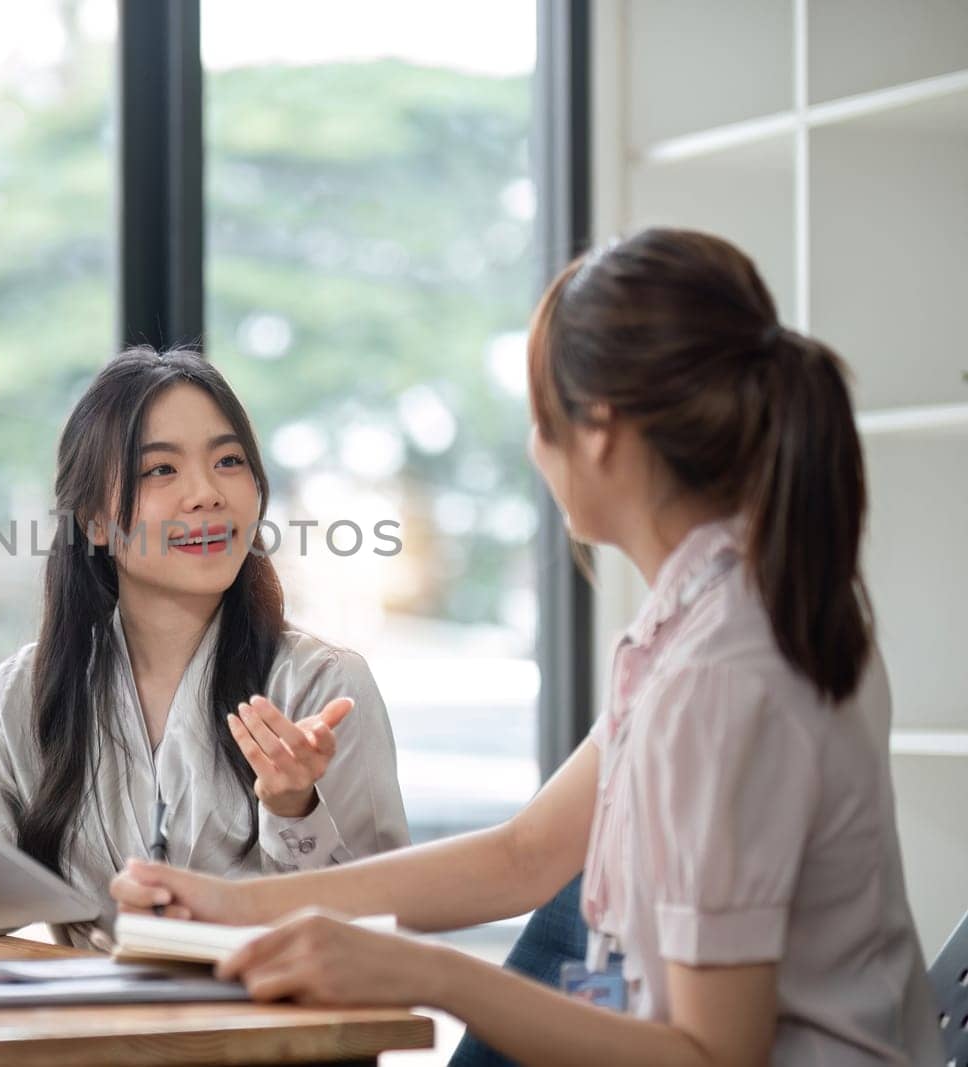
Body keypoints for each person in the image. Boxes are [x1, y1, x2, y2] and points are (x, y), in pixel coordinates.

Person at [111, 229, 942, 1064]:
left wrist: (434, 972)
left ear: (602, 433)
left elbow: (710, 1057)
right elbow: (524, 854)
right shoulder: (723, 619)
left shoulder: (720, 672)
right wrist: (225, 902)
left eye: (541, 419)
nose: (533, 448)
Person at [0, 346, 409, 951]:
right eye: (160, 470)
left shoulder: (323, 686)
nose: (206, 493)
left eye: (228, 461)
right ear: (92, 520)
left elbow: (383, 931)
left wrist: (293, 807)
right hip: (93, 1036)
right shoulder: (32, 688)